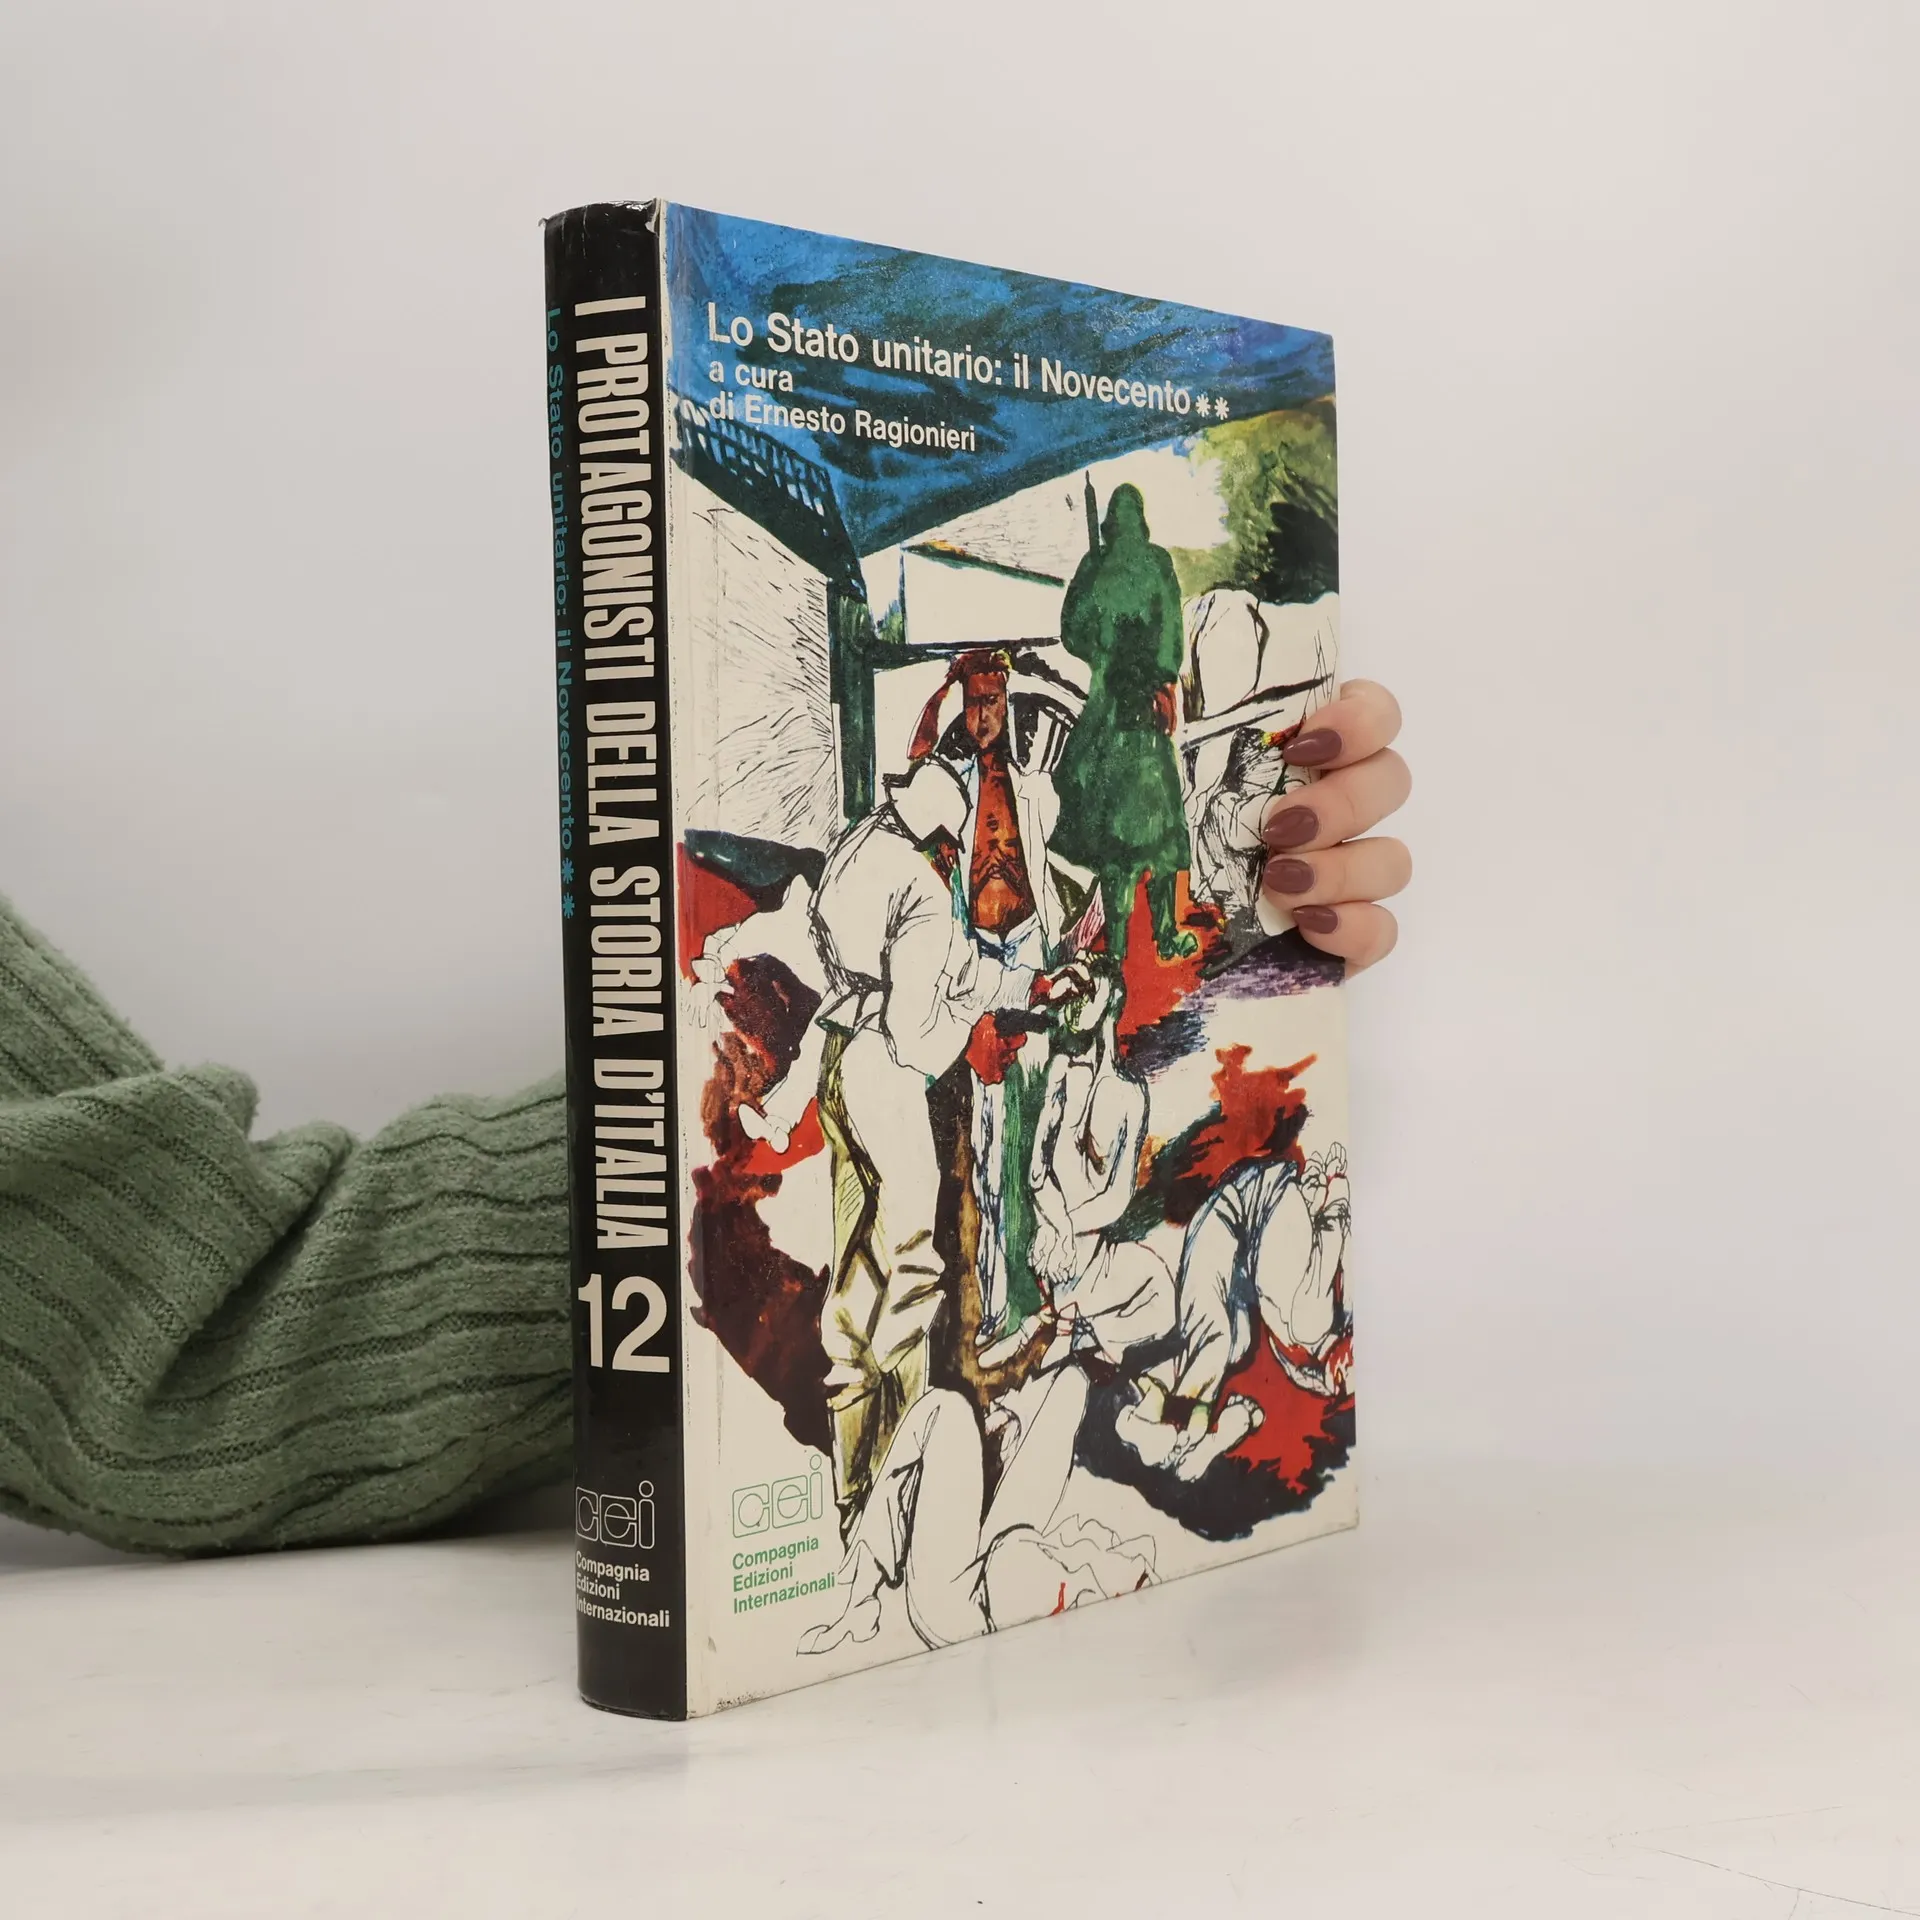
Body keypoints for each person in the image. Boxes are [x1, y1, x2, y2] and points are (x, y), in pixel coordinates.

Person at [0, 681, 1409, 1553]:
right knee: (904, 1289)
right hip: (877, 1098)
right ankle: (885, 1480)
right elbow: (162, 1370)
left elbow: (191, 1315)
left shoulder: (961, 861)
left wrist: (1184, 943)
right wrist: (712, 1147)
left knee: (940, 1282)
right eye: (1010, 744)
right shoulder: (896, 872)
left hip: (895, 1104)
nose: (1024, 776)